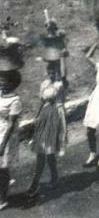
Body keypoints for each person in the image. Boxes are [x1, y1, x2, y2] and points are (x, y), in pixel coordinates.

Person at [27, 61, 67, 196]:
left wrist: (62, 57)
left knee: (47, 152)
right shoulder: (44, 84)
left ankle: (39, 181)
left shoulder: (60, 84)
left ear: (58, 72)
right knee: (42, 151)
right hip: (44, 117)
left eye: (54, 71)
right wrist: (37, 117)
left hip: (55, 117)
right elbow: (42, 101)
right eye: (50, 70)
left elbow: (62, 75)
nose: (51, 73)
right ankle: (44, 180)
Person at [0, 70, 22, 210]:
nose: (1, 82)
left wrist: (3, 144)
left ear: (12, 83)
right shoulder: (0, 93)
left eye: (4, 81)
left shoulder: (15, 101)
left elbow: (11, 124)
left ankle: (2, 199)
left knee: (2, 168)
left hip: (6, 135)